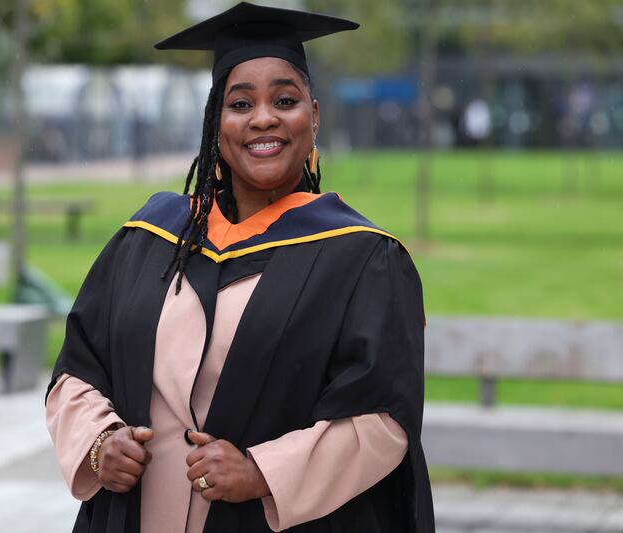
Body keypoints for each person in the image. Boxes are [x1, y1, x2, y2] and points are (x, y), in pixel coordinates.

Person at [46, 3, 434, 532]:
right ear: (216, 121)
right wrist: (98, 444)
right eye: (240, 103)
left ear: (314, 116)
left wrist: (262, 473)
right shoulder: (149, 237)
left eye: (285, 99)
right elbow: (76, 369)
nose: (263, 118)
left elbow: (382, 421)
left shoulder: (363, 259)